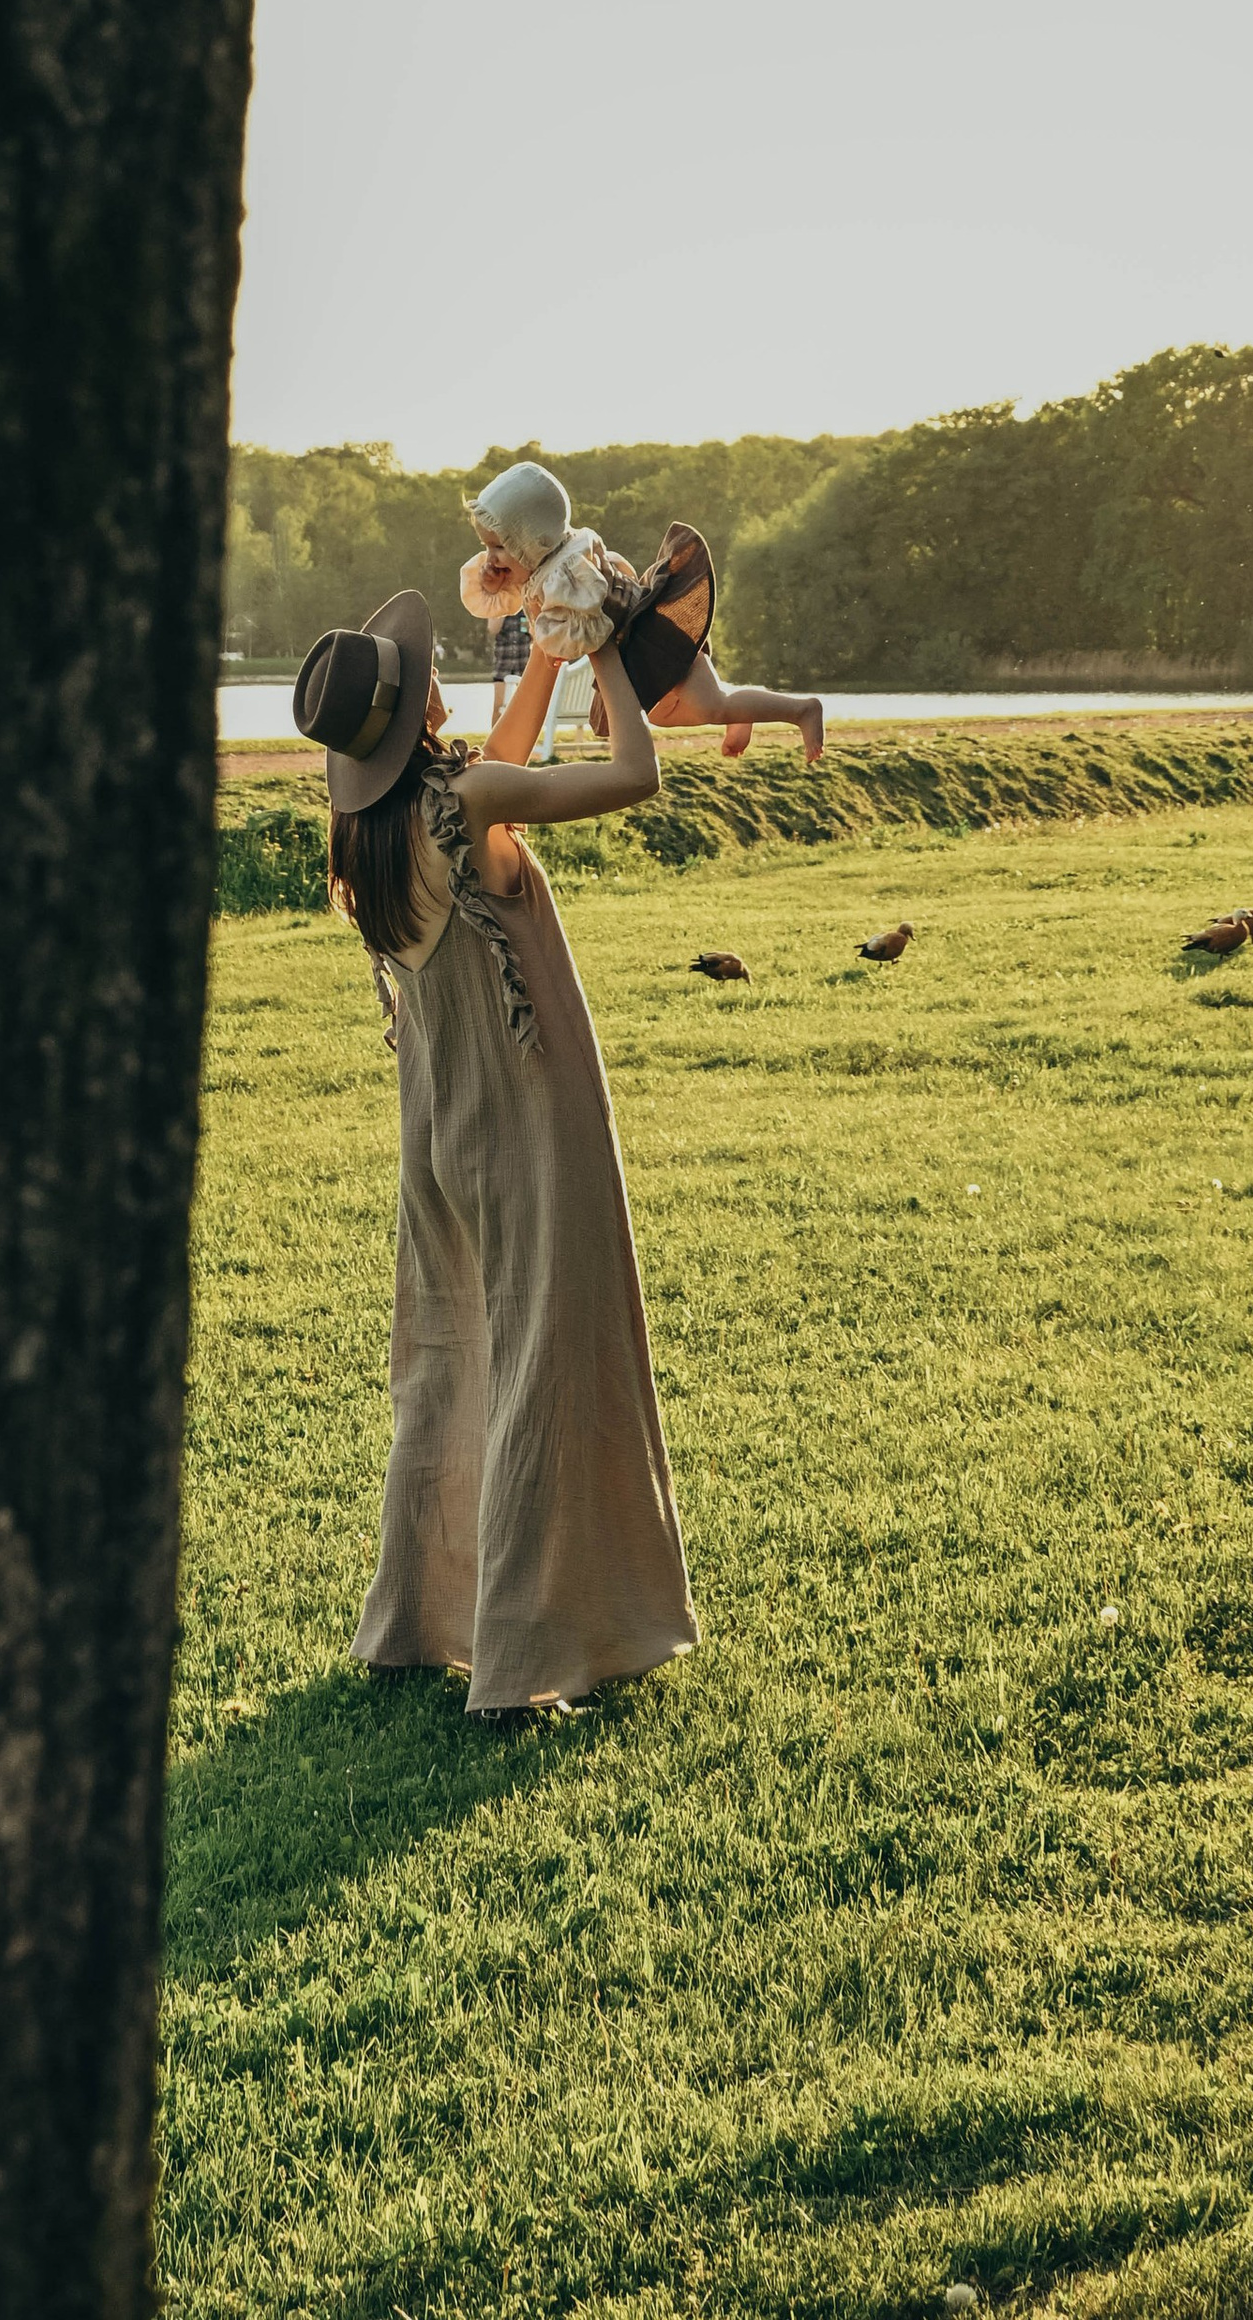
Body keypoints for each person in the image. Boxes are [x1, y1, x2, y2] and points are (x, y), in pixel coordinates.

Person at [296, 589, 698, 1714]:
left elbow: (505, 759)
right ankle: (527, 1656)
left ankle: (418, 1623)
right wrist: (610, 649)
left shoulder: (374, 831)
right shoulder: (464, 802)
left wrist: (551, 648)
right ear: (418, 706)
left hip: (438, 1138)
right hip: (529, 1122)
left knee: (449, 1366)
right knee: (550, 1366)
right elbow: (634, 775)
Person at [461, 458, 825, 762]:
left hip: (655, 635)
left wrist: (550, 637)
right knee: (664, 715)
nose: (490, 558)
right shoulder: (541, 569)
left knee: (711, 703)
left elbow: (575, 634)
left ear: (531, 539)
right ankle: (739, 712)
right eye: (486, 546)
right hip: (634, 654)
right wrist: (498, 583)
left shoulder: (569, 571)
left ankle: (801, 710)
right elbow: (508, 606)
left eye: (498, 547)